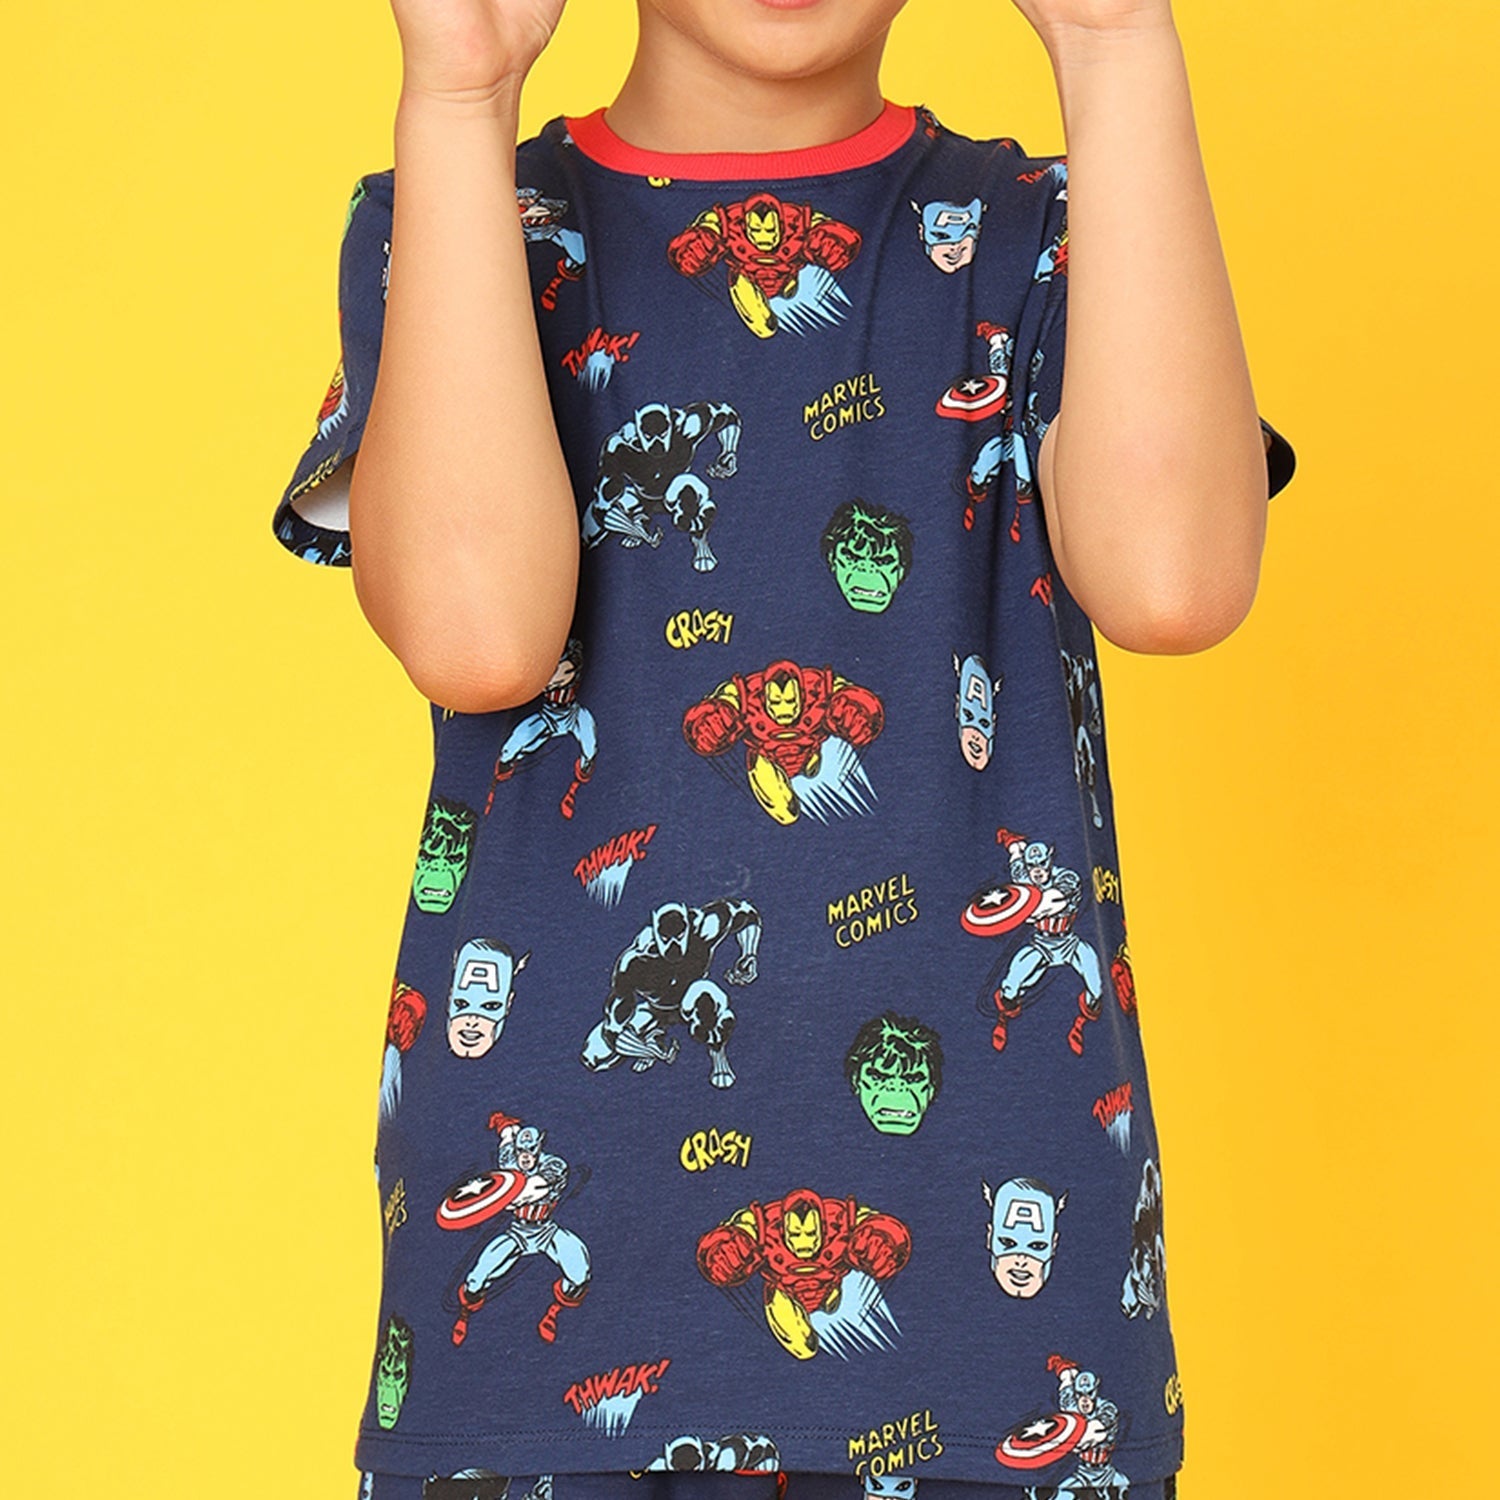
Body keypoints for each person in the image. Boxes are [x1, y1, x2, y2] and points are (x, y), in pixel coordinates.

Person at [273, 1, 1296, 1498]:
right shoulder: (457, 212)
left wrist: (1117, 41)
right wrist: (457, 100)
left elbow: (1177, 582)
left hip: (998, 1334)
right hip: (555, 1344)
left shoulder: (1051, 231)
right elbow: (477, 636)